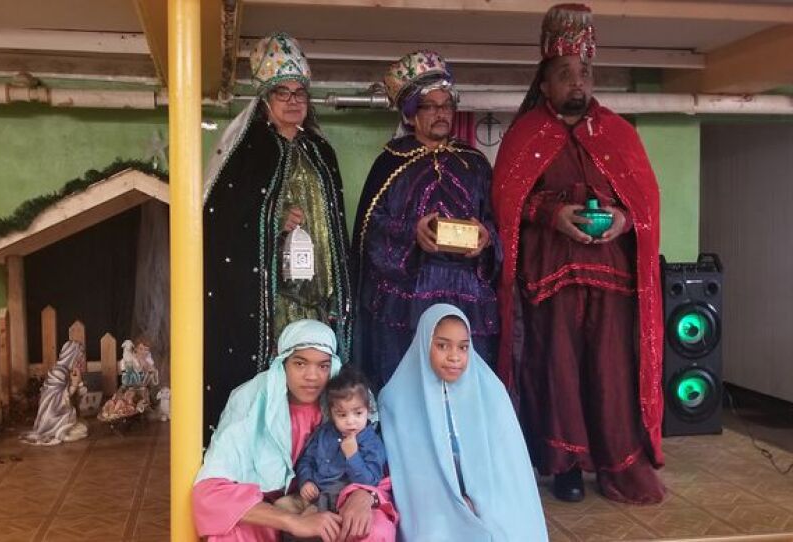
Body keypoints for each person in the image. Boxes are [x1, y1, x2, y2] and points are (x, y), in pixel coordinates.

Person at [492, 3, 665, 504]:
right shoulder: (524, 136)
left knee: (612, 372)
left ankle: (616, 463)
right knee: (557, 371)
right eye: (565, 74)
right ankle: (564, 465)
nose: (577, 83)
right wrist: (551, 214)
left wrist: (625, 219)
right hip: (550, 280)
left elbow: (645, 204)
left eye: (584, 73)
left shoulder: (619, 133)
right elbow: (507, 203)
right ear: (544, 83)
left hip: (612, 279)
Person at [202, 32, 353, 438]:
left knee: (315, 386)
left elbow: (335, 226)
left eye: (299, 92)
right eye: (282, 93)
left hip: (316, 300)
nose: (293, 100)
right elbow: (223, 223)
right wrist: (271, 223)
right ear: (265, 100)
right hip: (267, 302)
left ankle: (316, 462)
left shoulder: (321, 152)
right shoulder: (245, 154)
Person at [351, 50, 501, 390]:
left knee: (465, 390)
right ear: (410, 114)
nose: (440, 113)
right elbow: (370, 233)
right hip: (406, 303)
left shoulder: (475, 164)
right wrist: (412, 234)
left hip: (468, 300)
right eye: (430, 106)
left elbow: (496, 224)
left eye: (446, 105)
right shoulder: (390, 164)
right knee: (409, 389)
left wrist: (486, 238)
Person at [192, 320, 397, 542]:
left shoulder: (347, 406)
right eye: (300, 364)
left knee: (373, 530)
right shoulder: (252, 401)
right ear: (282, 364)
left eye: (323, 366)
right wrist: (294, 522)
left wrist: (363, 494)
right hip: (271, 510)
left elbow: (380, 472)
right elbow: (211, 492)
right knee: (231, 536)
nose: (312, 376)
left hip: (336, 499)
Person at [379, 304, 547, 541]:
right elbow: (411, 475)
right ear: (423, 343)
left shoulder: (491, 392)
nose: (454, 356)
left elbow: (506, 466)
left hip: (489, 497)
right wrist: (454, 503)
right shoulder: (396, 399)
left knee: (505, 529)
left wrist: (476, 498)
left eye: (463, 347)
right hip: (433, 504)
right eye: (442, 345)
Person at [276, 367, 386, 515]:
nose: (350, 421)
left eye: (358, 413)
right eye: (342, 415)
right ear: (331, 413)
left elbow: (370, 482)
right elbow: (306, 460)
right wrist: (306, 481)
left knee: (308, 518)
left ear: (368, 409)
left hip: (340, 502)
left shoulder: (372, 443)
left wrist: (353, 456)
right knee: (280, 506)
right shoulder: (325, 433)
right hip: (314, 495)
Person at [20, 340, 88, 446]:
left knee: (83, 427)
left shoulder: (67, 371)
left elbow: (72, 397)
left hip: (61, 415)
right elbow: (57, 399)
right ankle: (58, 432)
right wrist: (74, 384)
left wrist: (77, 383)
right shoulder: (58, 372)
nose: (81, 360)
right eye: (80, 357)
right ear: (71, 356)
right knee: (81, 430)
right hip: (53, 418)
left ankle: (65, 430)